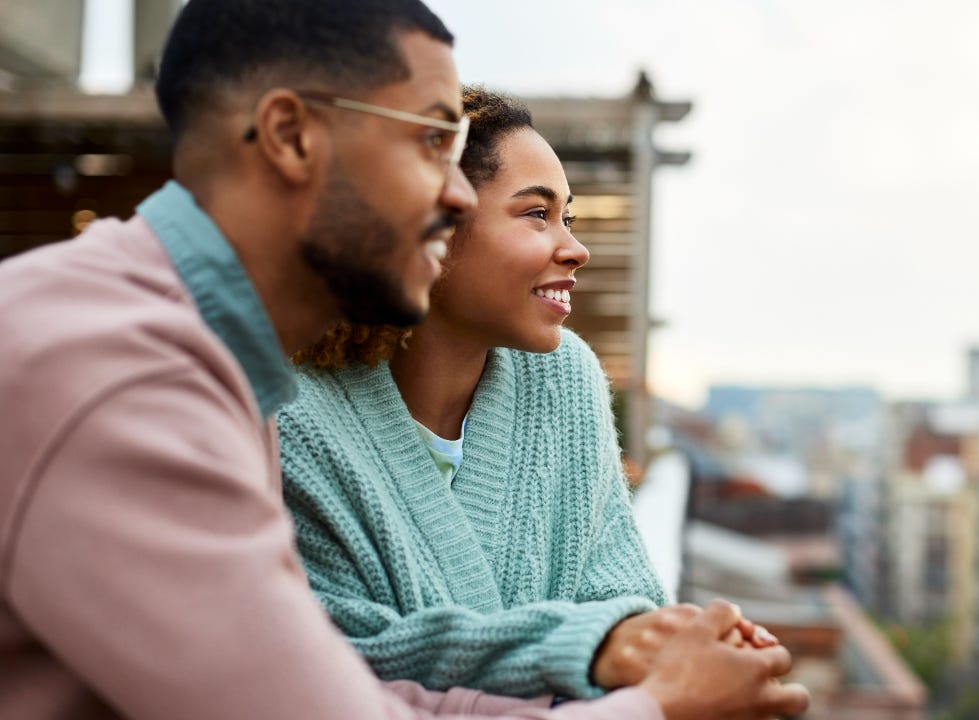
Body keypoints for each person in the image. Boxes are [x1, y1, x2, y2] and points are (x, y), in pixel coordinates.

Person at [0, 1, 810, 719]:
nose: (457, 195)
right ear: (289, 135)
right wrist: (658, 708)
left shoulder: (215, 361)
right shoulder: (125, 383)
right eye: (430, 142)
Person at [278, 87, 778, 702]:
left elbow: (620, 592)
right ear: (430, 223)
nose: (575, 248)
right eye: (536, 214)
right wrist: (586, 649)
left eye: (567, 217)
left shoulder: (566, 379)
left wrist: (671, 639)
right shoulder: (290, 419)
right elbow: (336, 651)